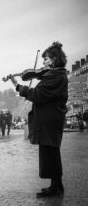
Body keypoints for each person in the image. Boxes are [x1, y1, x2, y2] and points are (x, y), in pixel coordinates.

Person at [8, 42, 68, 198]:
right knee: (51, 153)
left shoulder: (56, 76)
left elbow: (37, 94)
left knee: (51, 153)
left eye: (46, 59)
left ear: (55, 59)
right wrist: (24, 78)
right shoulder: (56, 74)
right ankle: (56, 185)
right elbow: (39, 79)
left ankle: (56, 188)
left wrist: (19, 87)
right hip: (50, 119)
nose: (44, 64)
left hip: (50, 120)